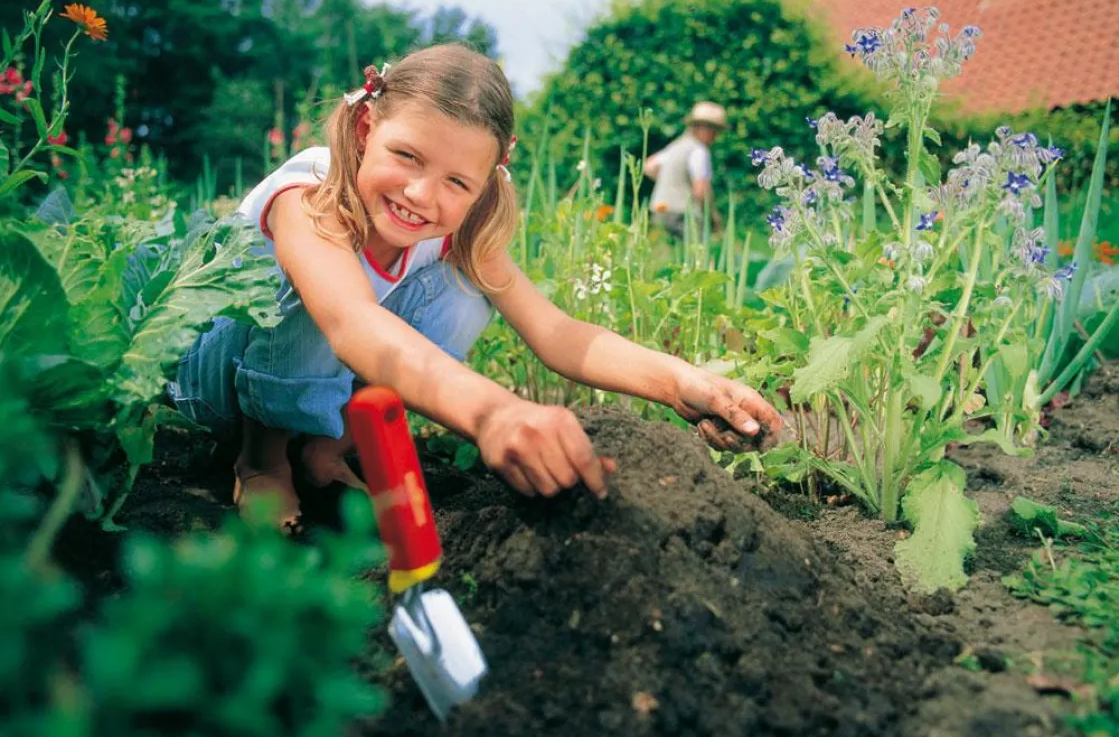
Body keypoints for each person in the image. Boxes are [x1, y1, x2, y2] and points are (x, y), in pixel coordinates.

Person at [168, 45, 779, 531]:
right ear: (363, 126)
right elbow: (351, 323)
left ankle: (323, 449)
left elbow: (558, 333)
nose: (421, 195)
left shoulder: (461, 232)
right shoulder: (310, 196)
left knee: (466, 291)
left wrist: (681, 381)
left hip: (303, 378)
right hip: (218, 378)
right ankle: (263, 460)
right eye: (406, 155)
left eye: (458, 181)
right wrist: (494, 415)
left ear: (489, 178)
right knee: (323, 297)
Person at [644, 101, 727, 239]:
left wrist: (671, 182)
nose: (715, 136)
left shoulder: (676, 146)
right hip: (683, 216)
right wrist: (713, 218)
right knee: (693, 256)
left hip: (659, 211)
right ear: (704, 128)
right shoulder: (699, 151)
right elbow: (701, 191)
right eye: (714, 130)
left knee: (662, 255)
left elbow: (649, 166)